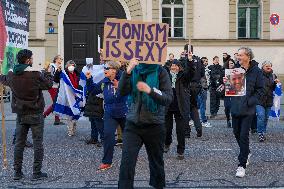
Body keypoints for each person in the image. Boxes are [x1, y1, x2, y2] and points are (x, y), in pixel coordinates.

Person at [118, 58, 173, 189]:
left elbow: (168, 98)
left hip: (155, 125)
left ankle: (158, 186)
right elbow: (121, 92)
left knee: (156, 162)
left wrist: (150, 91)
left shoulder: (161, 71)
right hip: (133, 124)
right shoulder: (134, 70)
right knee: (127, 161)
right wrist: (128, 71)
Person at [0, 49, 53, 180]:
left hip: (20, 113)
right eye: (32, 58)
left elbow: (3, 79)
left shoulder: (12, 74)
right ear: (28, 60)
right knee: (37, 143)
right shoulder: (35, 74)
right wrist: (47, 72)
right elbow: (49, 85)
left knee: (19, 143)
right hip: (35, 112)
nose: (33, 59)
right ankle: (36, 172)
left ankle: (17, 172)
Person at [86, 61, 128, 171]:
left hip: (125, 112)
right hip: (110, 113)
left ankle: (131, 156)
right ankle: (107, 162)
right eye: (104, 68)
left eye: (107, 68)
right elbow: (93, 91)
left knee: (130, 137)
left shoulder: (124, 79)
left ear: (114, 70)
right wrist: (89, 79)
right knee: (108, 136)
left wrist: (120, 87)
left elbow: (133, 90)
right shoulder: (104, 82)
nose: (104, 70)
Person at [230, 47, 264, 178]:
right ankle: (247, 151)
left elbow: (261, 89)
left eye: (240, 55)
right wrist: (226, 84)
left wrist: (251, 101)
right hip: (236, 106)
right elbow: (232, 89)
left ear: (248, 56)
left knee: (244, 135)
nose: (238, 57)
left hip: (248, 108)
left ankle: (242, 164)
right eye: (237, 55)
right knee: (236, 133)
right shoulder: (235, 70)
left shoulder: (256, 71)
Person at [163, 59, 191, 160]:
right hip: (168, 107)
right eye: (172, 66)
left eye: (176, 66)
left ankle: (180, 151)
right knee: (167, 129)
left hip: (180, 107)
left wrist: (190, 61)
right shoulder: (165, 76)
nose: (174, 67)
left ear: (179, 67)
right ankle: (167, 143)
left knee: (180, 131)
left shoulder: (183, 76)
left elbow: (191, 72)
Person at [54, 60, 81, 136]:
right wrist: (58, 71)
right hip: (68, 96)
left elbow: (81, 83)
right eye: (69, 65)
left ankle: (74, 124)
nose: (71, 66)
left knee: (76, 112)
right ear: (67, 66)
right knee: (69, 113)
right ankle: (70, 129)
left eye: (72, 65)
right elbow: (56, 80)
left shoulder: (77, 74)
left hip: (76, 96)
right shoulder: (64, 74)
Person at [256, 61, 280, 142]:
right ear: (263, 67)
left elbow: (274, 89)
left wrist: (277, 84)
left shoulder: (273, 76)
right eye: (267, 66)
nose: (268, 67)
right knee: (261, 116)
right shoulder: (258, 75)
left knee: (266, 118)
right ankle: (260, 133)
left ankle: (263, 131)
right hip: (259, 100)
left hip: (269, 100)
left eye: (270, 66)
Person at [43, 55, 65, 125]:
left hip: (57, 86)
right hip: (52, 87)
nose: (61, 60)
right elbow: (50, 76)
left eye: (62, 59)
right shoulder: (52, 66)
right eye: (60, 59)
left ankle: (57, 120)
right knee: (56, 103)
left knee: (56, 102)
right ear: (56, 59)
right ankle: (44, 115)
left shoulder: (58, 67)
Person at [198, 57, 211, 127]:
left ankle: (193, 120)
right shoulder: (201, 70)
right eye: (204, 61)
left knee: (200, 105)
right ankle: (204, 121)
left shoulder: (207, 69)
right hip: (202, 88)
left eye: (206, 61)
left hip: (205, 88)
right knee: (202, 106)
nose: (206, 62)